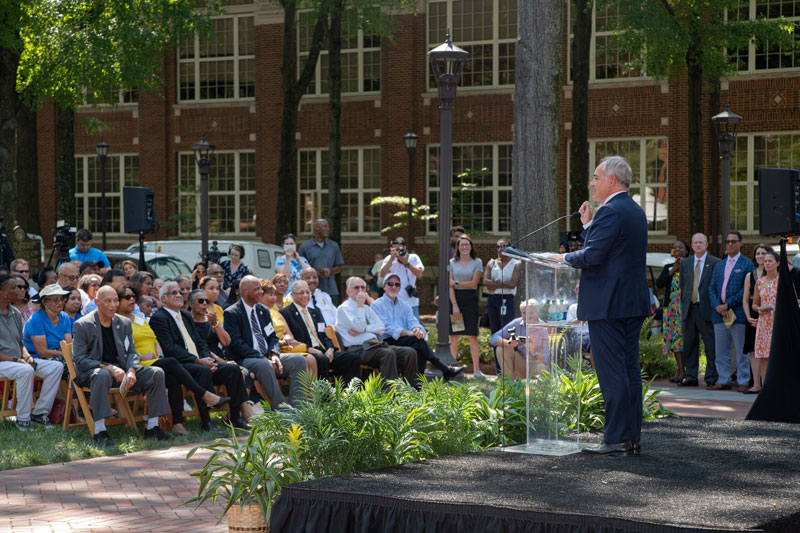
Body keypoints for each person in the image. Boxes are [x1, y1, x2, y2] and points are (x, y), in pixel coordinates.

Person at [553, 155, 651, 456]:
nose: (592, 182)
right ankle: (630, 437)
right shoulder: (633, 210)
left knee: (612, 373)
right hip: (631, 304)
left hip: (609, 306)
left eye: (596, 177)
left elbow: (594, 256)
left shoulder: (611, 211)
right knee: (629, 371)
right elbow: (611, 249)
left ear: (612, 180)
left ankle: (616, 439)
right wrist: (588, 225)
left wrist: (562, 258)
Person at [119, 285, 229, 435]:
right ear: (117, 302)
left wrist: (159, 354)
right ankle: (205, 395)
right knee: (172, 363)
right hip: (138, 363)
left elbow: (155, 340)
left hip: (157, 361)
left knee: (172, 375)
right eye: (126, 297)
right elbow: (122, 350)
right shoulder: (117, 322)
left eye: (133, 296)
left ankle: (177, 424)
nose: (132, 299)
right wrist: (142, 356)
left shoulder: (139, 318)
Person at [72, 286, 172, 445]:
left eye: (115, 301)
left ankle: (152, 428)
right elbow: (80, 359)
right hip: (94, 373)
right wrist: (109, 367)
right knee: (102, 374)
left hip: (123, 372)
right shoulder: (83, 325)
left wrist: (132, 370)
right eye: (108, 301)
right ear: (97, 302)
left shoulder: (123, 322)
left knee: (156, 372)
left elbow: (132, 351)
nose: (113, 305)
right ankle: (100, 431)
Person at [149, 281, 251, 429]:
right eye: (174, 292)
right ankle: (206, 422)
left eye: (180, 292)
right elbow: (170, 348)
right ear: (163, 299)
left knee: (234, 370)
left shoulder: (185, 316)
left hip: (200, 361)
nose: (179, 295)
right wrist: (198, 361)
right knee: (203, 371)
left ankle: (235, 418)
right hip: (180, 365)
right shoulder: (159, 318)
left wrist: (208, 360)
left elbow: (200, 342)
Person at [223, 276, 306, 408]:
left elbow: (272, 337)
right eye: (257, 289)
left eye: (261, 289)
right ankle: (282, 408)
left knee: (299, 360)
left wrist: (273, 354)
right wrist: (261, 356)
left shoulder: (263, 310)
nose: (261, 292)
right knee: (264, 365)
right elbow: (236, 344)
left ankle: (298, 406)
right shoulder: (232, 313)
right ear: (245, 292)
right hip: (245, 358)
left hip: (267, 355)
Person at [371, 273, 465, 381]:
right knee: (417, 341)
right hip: (386, 341)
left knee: (418, 342)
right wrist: (408, 332)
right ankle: (443, 370)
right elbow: (385, 328)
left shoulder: (405, 305)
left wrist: (417, 329)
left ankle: (418, 387)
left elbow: (413, 322)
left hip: (406, 340)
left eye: (397, 284)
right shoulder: (376, 305)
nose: (393, 287)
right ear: (384, 286)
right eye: (390, 284)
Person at [0, 274, 63, 430]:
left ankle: (39, 413)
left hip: (17, 362)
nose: (19, 290)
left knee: (55, 367)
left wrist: (28, 357)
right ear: (1, 291)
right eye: (14, 287)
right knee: (25, 370)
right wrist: (15, 360)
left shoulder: (14, 312)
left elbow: (20, 342)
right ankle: (23, 419)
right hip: (4, 362)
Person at [336, 276, 417, 385]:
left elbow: (381, 328)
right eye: (356, 288)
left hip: (375, 345)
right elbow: (359, 327)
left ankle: (411, 391)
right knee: (388, 353)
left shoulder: (367, 309)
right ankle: (388, 395)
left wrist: (364, 329)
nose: (360, 290)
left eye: (363, 288)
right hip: (357, 349)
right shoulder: (343, 309)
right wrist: (360, 306)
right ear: (348, 291)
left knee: (409, 352)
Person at [279, 280, 362, 383]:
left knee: (353, 358)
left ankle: (349, 394)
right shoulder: (286, 313)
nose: (305, 295)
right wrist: (308, 349)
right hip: (306, 352)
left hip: (324, 350)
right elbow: (292, 338)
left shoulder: (315, 312)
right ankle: (324, 397)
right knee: (322, 359)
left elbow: (325, 334)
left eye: (307, 292)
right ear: (292, 295)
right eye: (301, 293)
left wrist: (330, 348)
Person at [709, 231, 754, 392]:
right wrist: (718, 306)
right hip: (719, 315)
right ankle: (724, 380)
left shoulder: (746, 264)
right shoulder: (719, 265)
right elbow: (712, 288)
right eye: (727, 241)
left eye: (733, 241)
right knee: (721, 351)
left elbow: (745, 290)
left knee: (742, 350)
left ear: (740, 243)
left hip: (738, 314)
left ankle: (743, 380)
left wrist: (728, 304)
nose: (729, 244)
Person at [678, 233, 720, 388]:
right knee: (689, 344)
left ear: (706, 244)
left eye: (700, 242)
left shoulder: (715, 262)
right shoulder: (686, 263)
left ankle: (711, 377)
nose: (697, 245)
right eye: (695, 243)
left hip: (707, 309)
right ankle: (691, 377)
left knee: (710, 345)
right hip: (690, 308)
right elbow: (683, 285)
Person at [484, 237, 522, 372]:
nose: (501, 249)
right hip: (493, 300)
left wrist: (496, 283)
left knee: (508, 332)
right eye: (499, 247)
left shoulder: (516, 263)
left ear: (509, 248)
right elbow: (485, 281)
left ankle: (510, 368)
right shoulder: (491, 263)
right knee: (495, 333)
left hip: (507, 300)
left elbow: (513, 284)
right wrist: (500, 283)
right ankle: (499, 370)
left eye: (504, 246)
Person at [655, 240, 690, 383]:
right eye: (674, 248)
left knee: (687, 340)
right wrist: (673, 270)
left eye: (680, 248)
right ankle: (680, 370)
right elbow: (658, 284)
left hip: (686, 308)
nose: (677, 250)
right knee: (675, 341)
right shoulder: (668, 267)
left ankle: (687, 370)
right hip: (671, 309)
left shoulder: (691, 266)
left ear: (687, 251)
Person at [448, 234, 484, 376]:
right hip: (456, 300)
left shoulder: (477, 262)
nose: (464, 247)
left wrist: (456, 283)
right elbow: (449, 286)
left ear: (471, 246)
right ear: (457, 247)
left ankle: (476, 370)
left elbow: (473, 283)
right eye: (461, 245)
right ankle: (452, 368)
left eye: (466, 244)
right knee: (455, 336)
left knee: (472, 336)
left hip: (471, 300)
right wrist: (454, 305)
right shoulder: (451, 263)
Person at [490, 299, 549, 379]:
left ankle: (540, 390)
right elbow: (494, 338)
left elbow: (547, 357)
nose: (527, 316)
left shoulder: (544, 328)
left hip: (536, 363)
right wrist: (508, 343)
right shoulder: (517, 323)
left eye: (531, 313)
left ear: (538, 313)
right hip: (520, 363)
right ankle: (509, 384)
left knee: (542, 367)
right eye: (524, 313)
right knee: (501, 348)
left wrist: (533, 352)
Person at [742, 244, 773, 394]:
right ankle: (756, 384)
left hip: (770, 316)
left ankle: (768, 383)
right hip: (754, 316)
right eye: (758, 253)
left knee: (768, 351)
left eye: (763, 253)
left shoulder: (775, 275)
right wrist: (748, 317)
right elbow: (746, 298)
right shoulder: (750, 275)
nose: (760, 256)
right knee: (753, 351)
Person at [23, 285, 73, 368]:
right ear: (45, 302)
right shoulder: (36, 319)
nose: (60, 302)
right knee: (71, 364)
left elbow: (68, 345)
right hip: (37, 359)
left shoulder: (65, 317)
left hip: (62, 356)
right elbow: (43, 352)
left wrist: (67, 354)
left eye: (62, 299)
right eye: (55, 300)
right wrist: (66, 354)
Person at [751, 250, 779, 391]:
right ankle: (765, 388)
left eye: (770, 261)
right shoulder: (760, 282)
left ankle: (779, 387)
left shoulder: (782, 281)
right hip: (764, 322)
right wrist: (760, 309)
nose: (767, 263)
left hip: (778, 322)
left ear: (777, 263)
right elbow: (755, 304)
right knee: (764, 356)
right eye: (765, 261)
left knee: (779, 354)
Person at [299, 219, 344, 304]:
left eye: (328, 227)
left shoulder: (334, 246)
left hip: (331, 290)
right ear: (316, 228)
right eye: (325, 227)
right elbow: (300, 269)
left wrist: (329, 270)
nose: (328, 229)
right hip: (310, 289)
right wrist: (315, 274)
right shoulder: (305, 247)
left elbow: (339, 268)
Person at [378, 237, 424, 319]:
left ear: (405, 248)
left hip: (410, 302)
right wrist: (391, 260)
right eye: (394, 249)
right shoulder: (388, 259)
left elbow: (419, 274)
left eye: (399, 249)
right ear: (391, 249)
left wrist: (406, 263)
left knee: (414, 328)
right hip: (393, 302)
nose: (397, 252)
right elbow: (382, 274)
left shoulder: (413, 257)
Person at [188, 289, 233, 365]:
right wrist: (224, 362)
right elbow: (201, 348)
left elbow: (226, 342)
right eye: (201, 301)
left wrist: (215, 324)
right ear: (191, 303)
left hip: (220, 355)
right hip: (204, 358)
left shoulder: (211, 319)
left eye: (207, 301)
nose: (205, 303)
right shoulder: (188, 322)